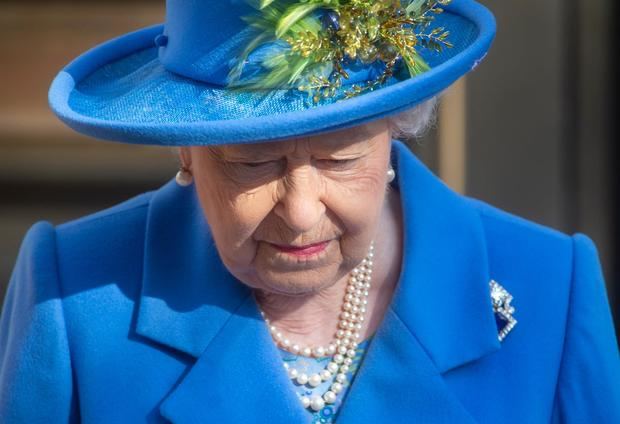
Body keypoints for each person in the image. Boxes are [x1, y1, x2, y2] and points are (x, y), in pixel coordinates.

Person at [1, 0, 619, 422]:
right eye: (252, 163)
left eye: (342, 157)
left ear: (395, 132)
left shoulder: (552, 290)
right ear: (185, 150)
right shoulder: (74, 296)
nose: (299, 212)